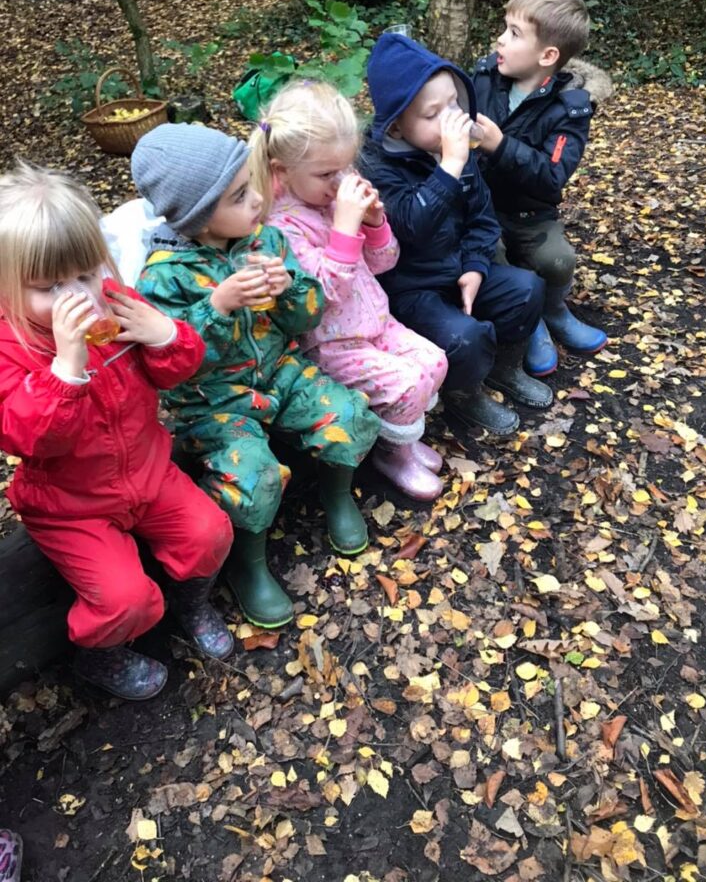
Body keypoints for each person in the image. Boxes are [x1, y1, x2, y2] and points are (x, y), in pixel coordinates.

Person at [0, 162, 234, 701]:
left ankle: (190, 603)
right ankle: (98, 657)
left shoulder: (117, 301)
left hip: (147, 472)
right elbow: (30, 439)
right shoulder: (13, 346)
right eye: (49, 286)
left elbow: (177, 370)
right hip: (69, 501)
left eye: (85, 274)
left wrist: (165, 335)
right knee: (124, 598)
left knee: (209, 533)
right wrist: (66, 368)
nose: (76, 295)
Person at [132, 124, 380, 631]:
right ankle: (249, 567)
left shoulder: (265, 238)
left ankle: (337, 496)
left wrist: (290, 288)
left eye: (253, 187)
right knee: (252, 475)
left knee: (349, 411)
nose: (257, 201)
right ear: (197, 215)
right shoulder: (163, 276)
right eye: (241, 195)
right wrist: (217, 307)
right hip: (211, 399)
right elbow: (171, 365)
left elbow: (306, 317)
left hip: (277, 370)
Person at [260, 80, 448, 501]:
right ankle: (391, 455)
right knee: (404, 384)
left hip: (377, 323)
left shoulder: (333, 198)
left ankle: (401, 441)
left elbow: (385, 263)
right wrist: (344, 228)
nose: (340, 181)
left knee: (434, 362)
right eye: (327, 173)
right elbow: (320, 297)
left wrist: (375, 225)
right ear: (280, 171)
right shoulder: (280, 228)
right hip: (332, 345)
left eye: (346, 167)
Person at [360, 33, 552, 435]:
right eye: (435, 113)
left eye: (454, 104)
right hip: (411, 288)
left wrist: (477, 265)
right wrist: (448, 165)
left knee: (527, 288)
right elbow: (411, 227)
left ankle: (504, 368)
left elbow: (482, 218)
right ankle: (465, 396)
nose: (452, 118)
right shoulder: (378, 166)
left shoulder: (456, 153)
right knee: (463, 337)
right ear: (396, 125)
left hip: (457, 268)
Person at [472, 0, 608, 377]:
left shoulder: (570, 106)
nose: (500, 38)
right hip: (482, 205)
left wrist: (499, 145)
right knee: (489, 250)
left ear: (547, 56)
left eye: (514, 33)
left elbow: (552, 178)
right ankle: (529, 320)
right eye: (504, 27)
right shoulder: (484, 78)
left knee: (558, 260)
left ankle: (553, 309)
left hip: (531, 210)